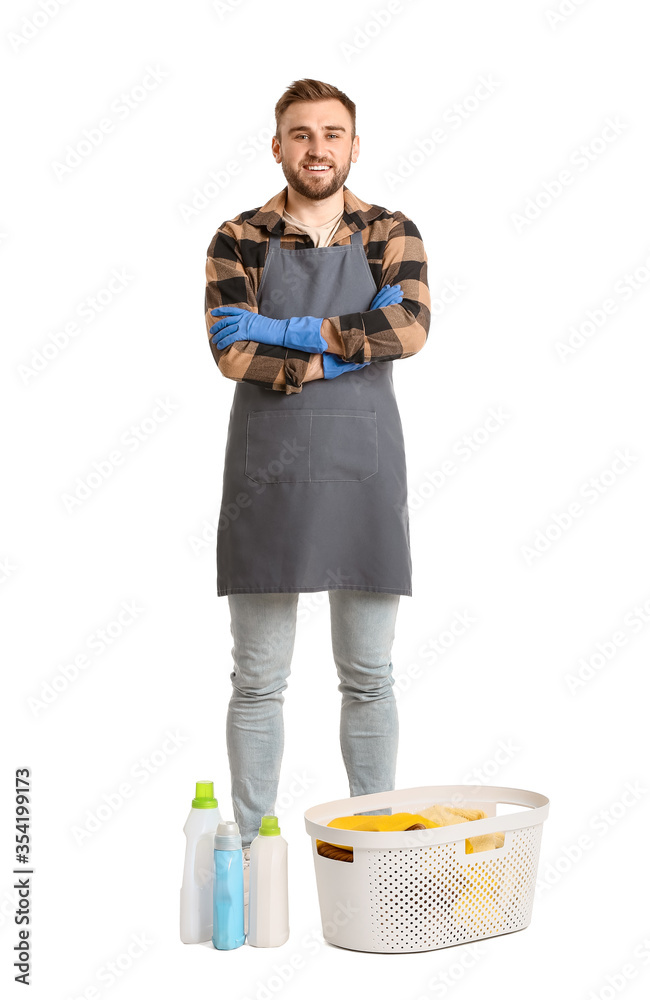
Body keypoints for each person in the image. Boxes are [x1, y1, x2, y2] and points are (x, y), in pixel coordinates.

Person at [204, 78, 431, 915]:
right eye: (300, 135)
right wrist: (346, 342)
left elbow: (408, 329)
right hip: (266, 472)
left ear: (354, 146)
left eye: (332, 134)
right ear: (277, 148)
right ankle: (255, 864)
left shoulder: (390, 231)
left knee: (368, 674)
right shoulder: (238, 236)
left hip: (365, 469)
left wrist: (288, 332)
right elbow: (230, 353)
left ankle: (373, 846)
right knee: (258, 678)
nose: (316, 149)